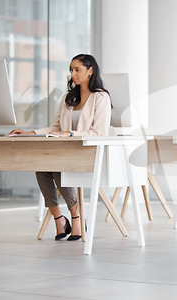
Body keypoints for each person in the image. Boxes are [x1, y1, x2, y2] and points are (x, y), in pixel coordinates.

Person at [9, 54, 111, 241]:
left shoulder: (100, 97)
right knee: (41, 169)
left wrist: (71, 134)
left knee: (57, 167)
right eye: (71, 70)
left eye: (77, 69)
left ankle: (75, 215)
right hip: (67, 152)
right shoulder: (69, 98)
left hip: (88, 152)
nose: (73, 73)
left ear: (90, 71)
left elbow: (100, 133)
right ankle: (59, 218)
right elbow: (56, 128)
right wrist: (30, 133)